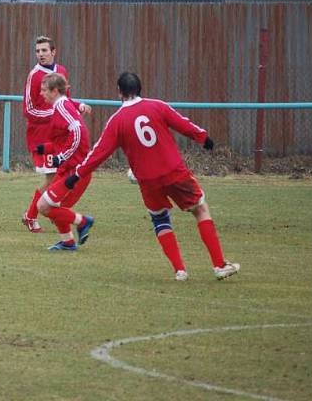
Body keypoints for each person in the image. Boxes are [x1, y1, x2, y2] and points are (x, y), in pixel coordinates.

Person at [65, 72, 240, 281]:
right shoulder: (157, 106)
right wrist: (204, 138)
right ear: (140, 89)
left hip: (147, 181)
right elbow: (183, 124)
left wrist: (76, 175)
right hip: (174, 172)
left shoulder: (116, 120)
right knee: (200, 209)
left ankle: (180, 270)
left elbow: (98, 153)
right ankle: (219, 265)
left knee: (160, 220)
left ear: (119, 91)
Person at [21, 35, 90, 233]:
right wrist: (56, 112)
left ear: (53, 51)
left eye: (44, 50)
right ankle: (38, 214)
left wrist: (79, 105)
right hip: (41, 135)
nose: (40, 54)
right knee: (53, 179)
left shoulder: (61, 71)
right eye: (37, 51)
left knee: (57, 178)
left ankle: (44, 213)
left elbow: (65, 100)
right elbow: (29, 110)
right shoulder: (34, 75)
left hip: (58, 136)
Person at [33, 73, 95, 251]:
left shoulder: (62, 107)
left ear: (54, 91)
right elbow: (65, 138)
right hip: (69, 167)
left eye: (44, 90)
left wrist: (63, 157)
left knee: (44, 206)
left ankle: (84, 222)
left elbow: (78, 131)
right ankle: (67, 242)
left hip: (75, 170)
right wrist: (45, 149)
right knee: (56, 207)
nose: (42, 94)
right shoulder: (61, 106)